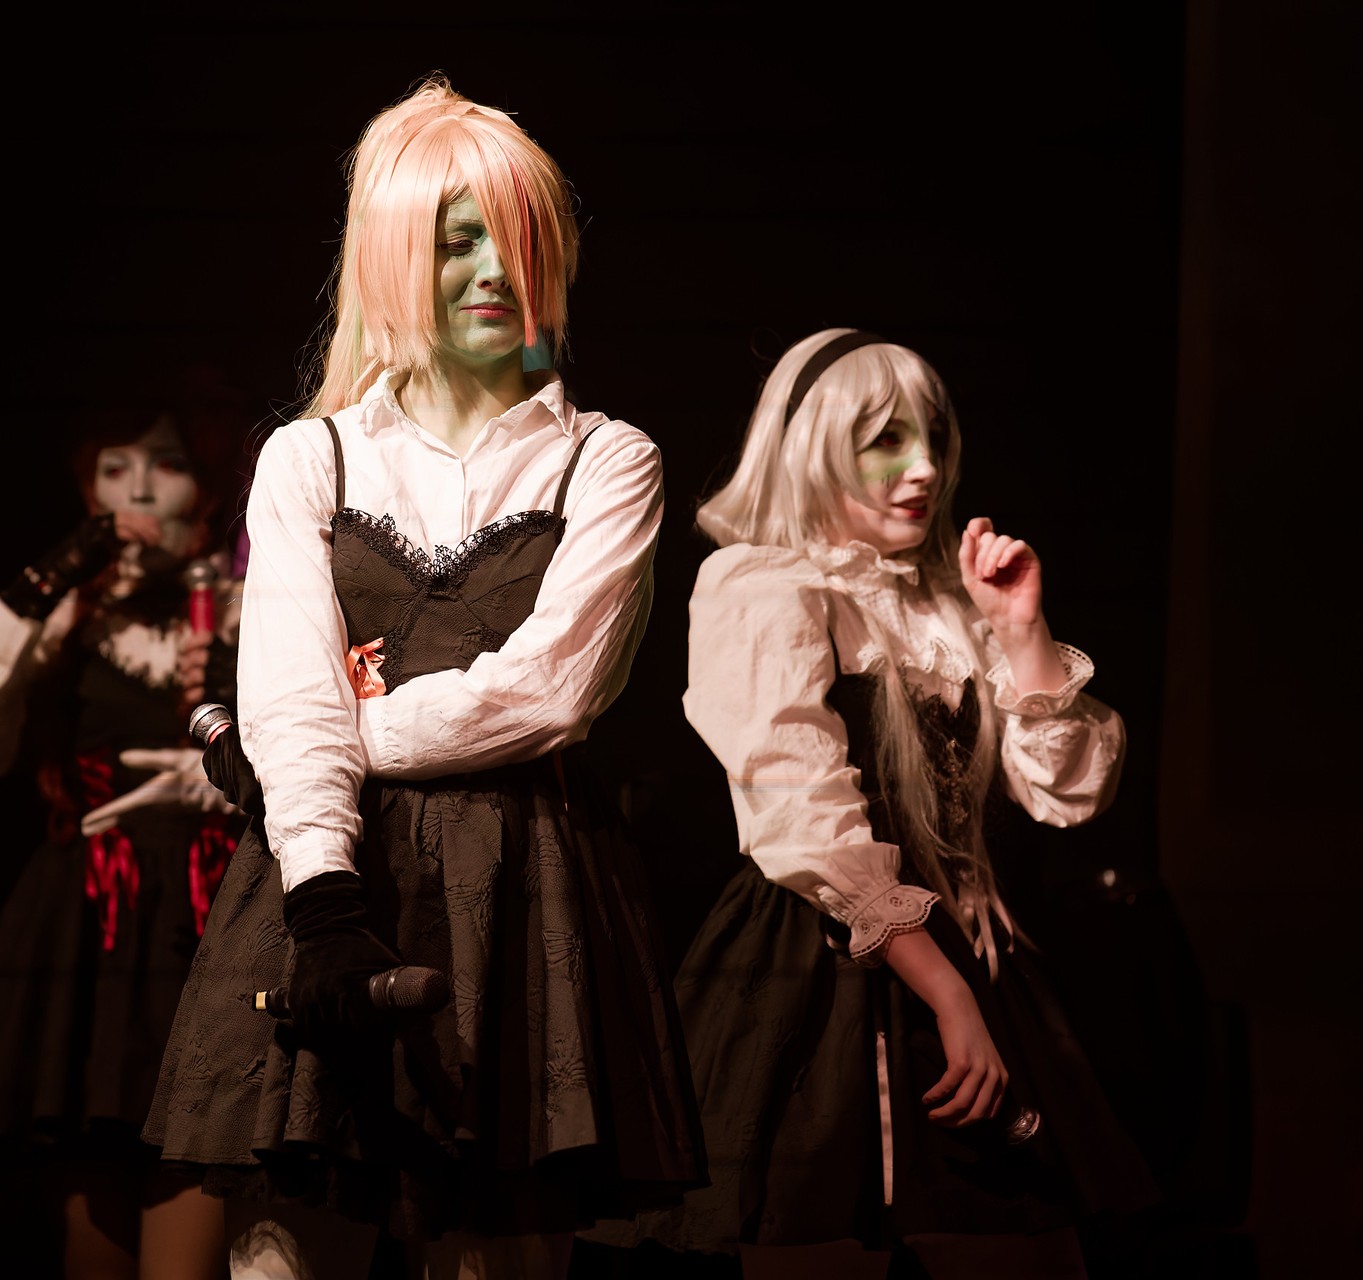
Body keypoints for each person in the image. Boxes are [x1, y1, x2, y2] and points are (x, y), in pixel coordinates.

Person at [141, 77, 705, 1280]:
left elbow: (550, 692)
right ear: (396, 255)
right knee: (284, 1254)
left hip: (527, 889)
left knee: (499, 1255)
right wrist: (322, 893)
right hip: (326, 877)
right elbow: (283, 686)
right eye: (457, 240)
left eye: (517, 236)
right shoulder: (308, 455)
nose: (495, 267)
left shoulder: (610, 458)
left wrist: (317, 727)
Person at [626, 330, 1156, 1279]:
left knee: (1028, 1249)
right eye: (886, 440)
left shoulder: (948, 603)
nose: (924, 469)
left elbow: (1065, 795)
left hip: (975, 956)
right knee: (827, 1241)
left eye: (933, 438)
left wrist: (1022, 633)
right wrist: (945, 991)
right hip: (826, 964)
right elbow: (797, 803)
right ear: (815, 446)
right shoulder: (764, 585)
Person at [0, 405, 243, 1280]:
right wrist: (61, 567)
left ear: (208, 487)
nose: (138, 490)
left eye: (165, 465)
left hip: (216, 913)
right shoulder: (68, 614)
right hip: (92, 920)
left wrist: (231, 769)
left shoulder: (255, 606)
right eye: (114, 468)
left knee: (202, 1156)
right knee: (93, 1184)